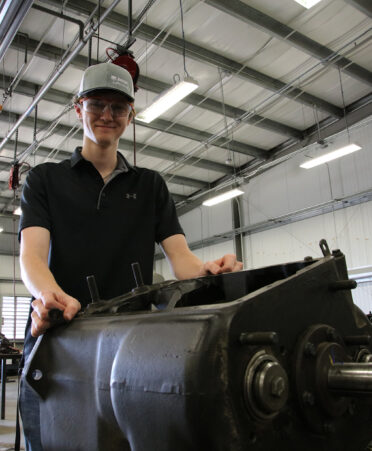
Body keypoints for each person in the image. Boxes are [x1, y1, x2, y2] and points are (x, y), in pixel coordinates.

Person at [18, 62, 243, 450]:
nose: (107, 115)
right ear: (78, 108)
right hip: (59, 340)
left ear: (130, 116)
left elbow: (182, 261)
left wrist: (206, 269)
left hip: (128, 353)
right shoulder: (44, 180)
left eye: (118, 107)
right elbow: (32, 258)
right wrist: (51, 296)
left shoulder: (150, 186)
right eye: (97, 104)